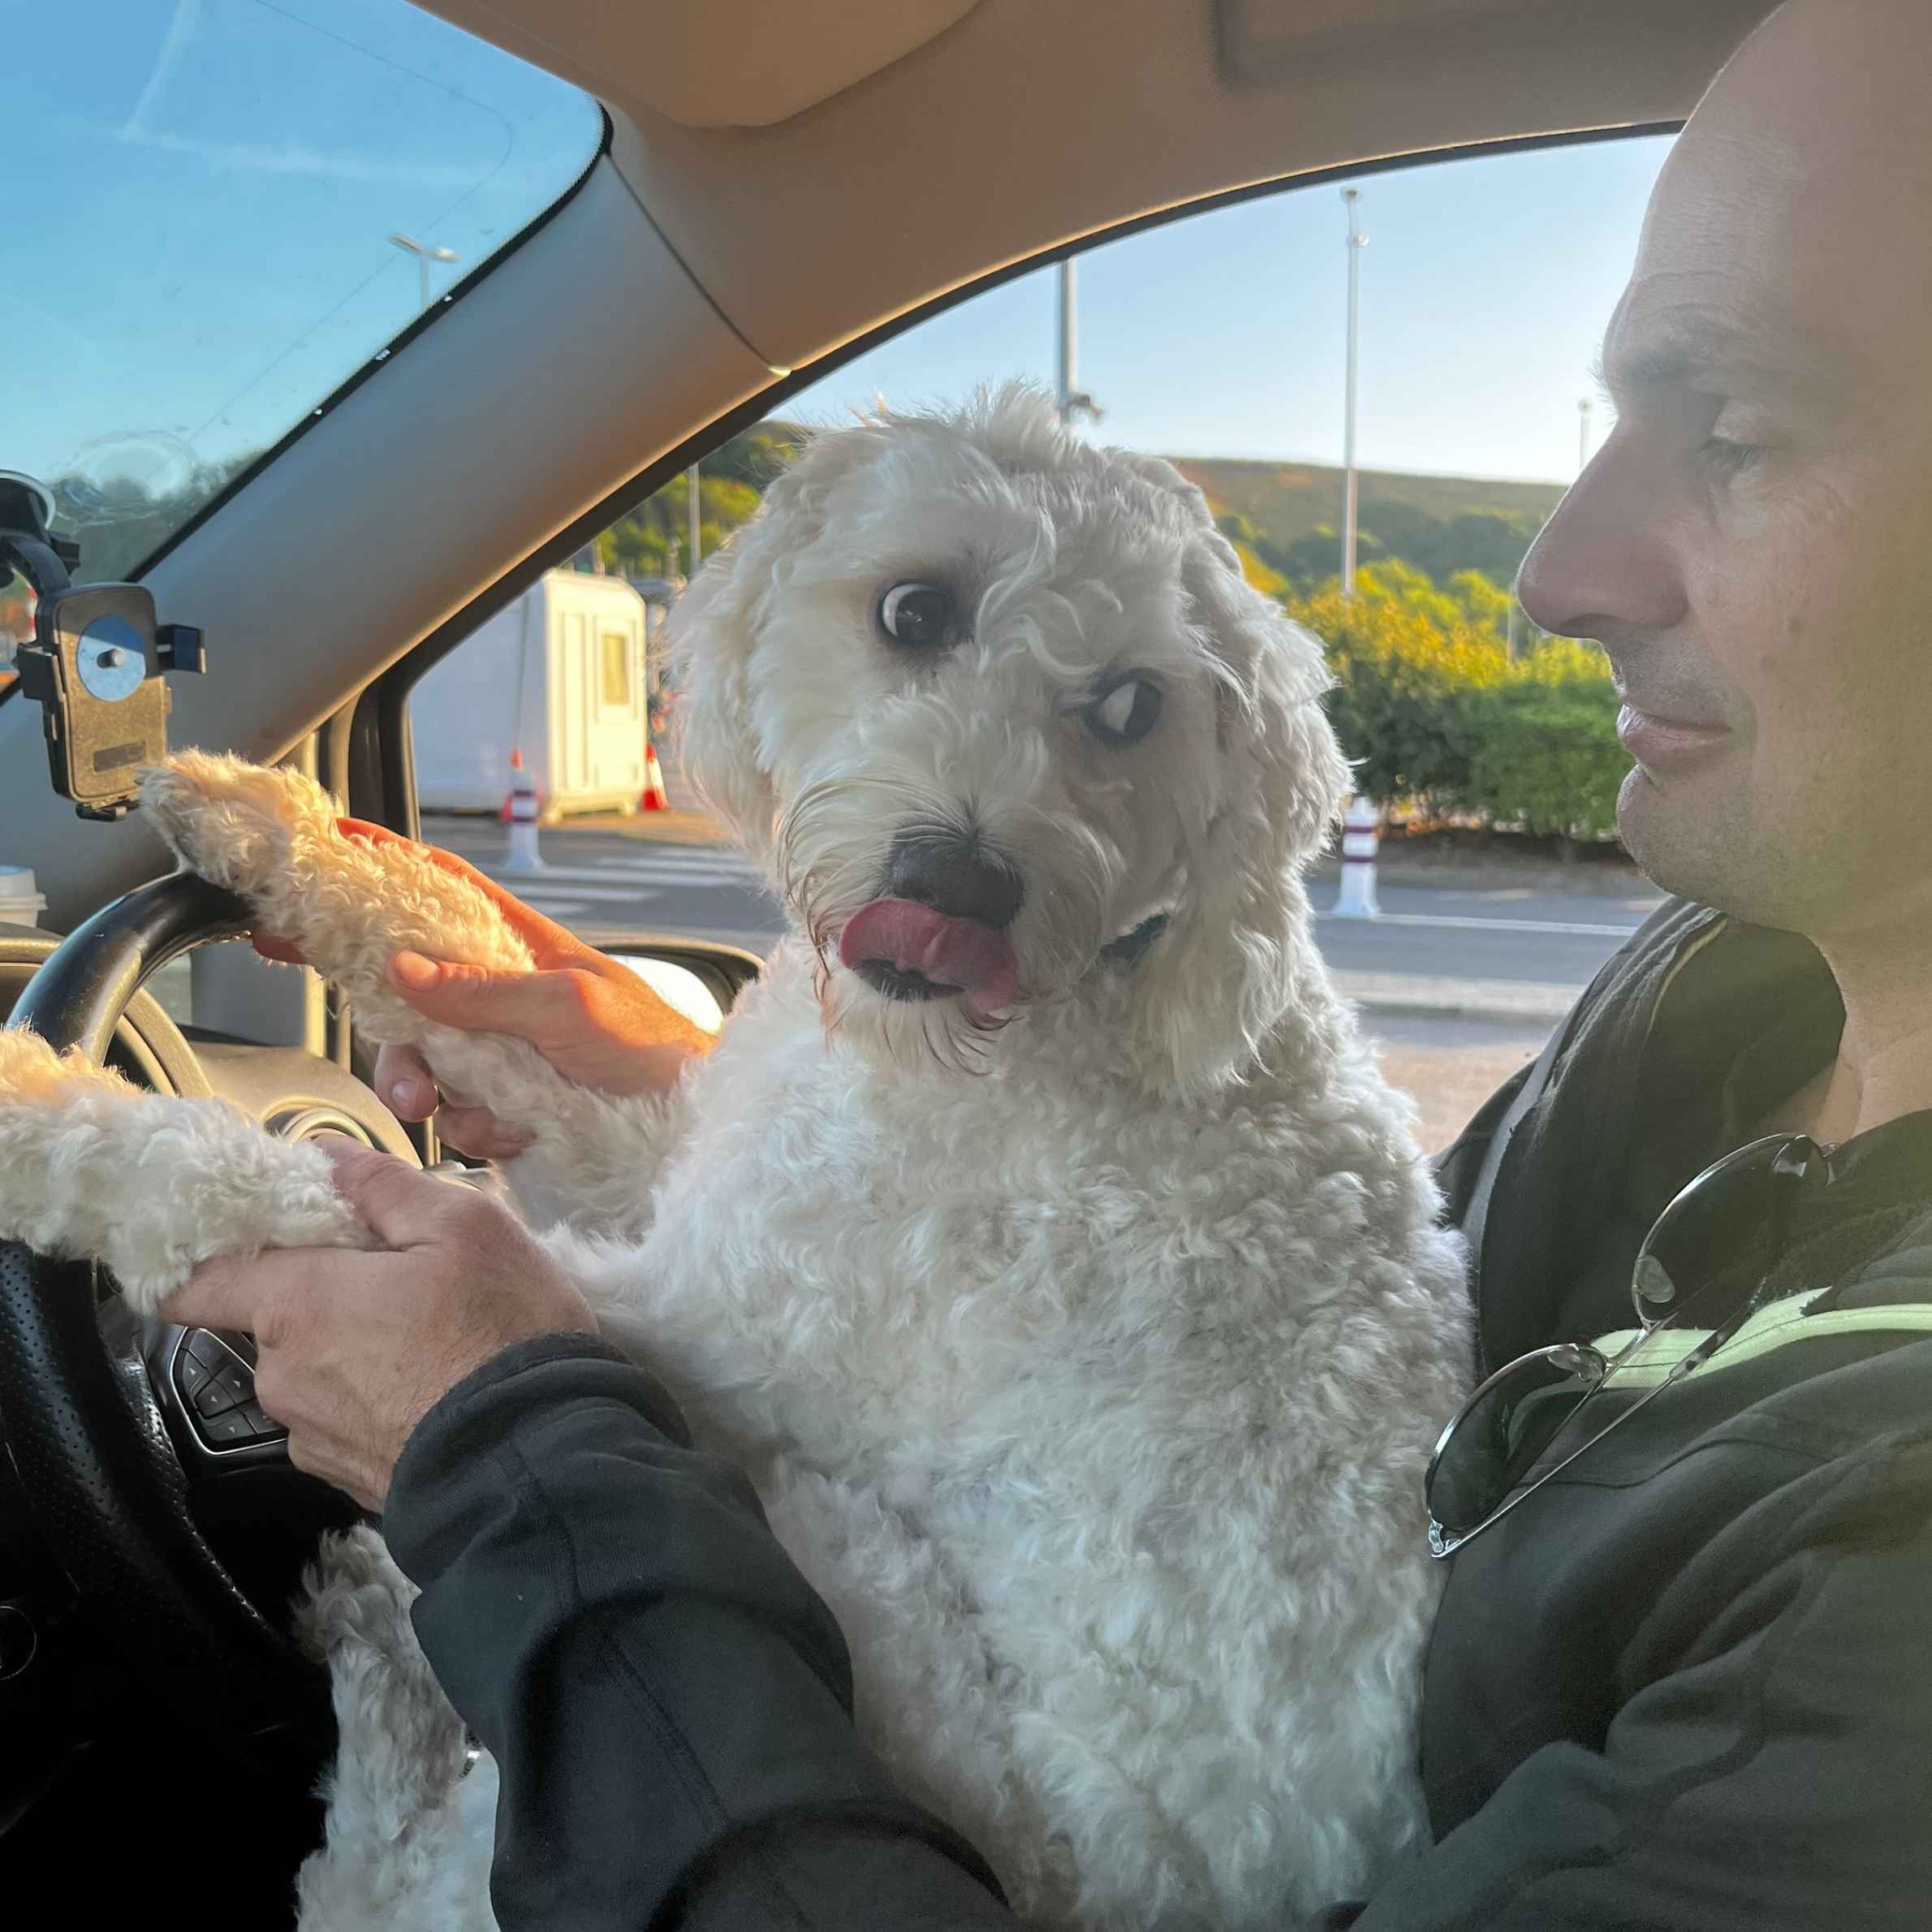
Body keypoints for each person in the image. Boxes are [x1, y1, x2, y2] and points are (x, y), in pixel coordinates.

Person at [166, 2, 1932, 1921]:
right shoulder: (1722, 1009)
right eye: (1613, 422)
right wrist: (698, 1105)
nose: (1557, 568)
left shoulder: (1874, 1602)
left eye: (1734, 430)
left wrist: (511, 1457)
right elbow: (1185, 1362)